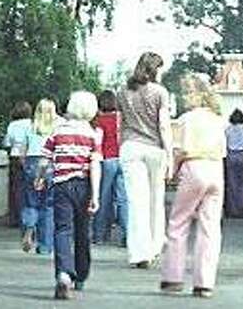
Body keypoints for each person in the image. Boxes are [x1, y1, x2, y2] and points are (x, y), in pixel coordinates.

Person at [160, 75, 226, 299]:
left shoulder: (187, 119)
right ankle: (204, 283)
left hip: (194, 167)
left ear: (197, 94)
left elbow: (183, 149)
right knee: (210, 227)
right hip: (215, 169)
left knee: (178, 222)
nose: (184, 96)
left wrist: (172, 170)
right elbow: (223, 150)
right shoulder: (218, 119)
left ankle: (173, 277)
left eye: (187, 92)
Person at [39, 91, 102, 300]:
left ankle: (64, 273)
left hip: (61, 186)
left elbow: (44, 159)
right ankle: (81, 275)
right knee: (83, 231)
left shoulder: (58, 131)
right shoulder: (92, 134)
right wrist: (95, 195)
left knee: (62, 230)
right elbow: (95, 165)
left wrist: (40, 177)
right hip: (84, 186)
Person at [116, 52, 172, 268]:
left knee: (136, 202)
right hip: (154, 148)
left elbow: (121, 124)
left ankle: (140, 252)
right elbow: (164, 126)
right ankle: (154, 246)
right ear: (155, 69)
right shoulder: (160, 92)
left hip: (130, 146)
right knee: (155, 200)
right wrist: (170, 155)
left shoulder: (123, 91)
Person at [91, 89, 127, 245]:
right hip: (123, 159)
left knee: (103, 198)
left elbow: (98, 142)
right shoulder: (122, 119)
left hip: (107, 160)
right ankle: (127, 234)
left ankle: (99, 235)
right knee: (123, 199)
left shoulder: (100, 121)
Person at [21, 98, 57, 254]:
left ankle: (29, 228)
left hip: (32, 161)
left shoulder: (30, 127)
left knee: (31, 202)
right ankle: (45, 245)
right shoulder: (57, 128)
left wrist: (26, 167)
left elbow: (23, 151)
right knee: (48, 206)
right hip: (50, 164)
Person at [4, 101, 33, 229]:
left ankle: (15, 217)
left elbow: (7, 143)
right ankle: (27, 218)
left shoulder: (12, 125)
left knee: (15, 188)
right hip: (29, 156)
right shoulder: (32, 124)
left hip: (15, 156)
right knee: (28, 188)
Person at [223, 109, 243, 219]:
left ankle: (232, 211)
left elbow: (224, 144)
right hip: (242, 156)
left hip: (230, 156)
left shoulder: (227, 130)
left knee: (232, 185)